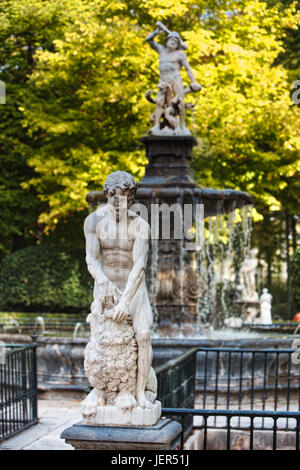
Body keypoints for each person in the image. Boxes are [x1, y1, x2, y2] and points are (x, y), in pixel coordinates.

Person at [82, 171, 154, 411]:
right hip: (105, 286)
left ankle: (140, 393)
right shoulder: (93, 221)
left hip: (133, 289)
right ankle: (100, 389)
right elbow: (91, 259)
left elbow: (140, 267)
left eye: (123, 198)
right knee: (101, 338)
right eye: (113, 197)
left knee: (142, 335)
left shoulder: (140, 226)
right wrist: (102, 282)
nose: (117, 202)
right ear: (107, 195)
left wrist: (125, 302)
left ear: (131, 197)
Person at [146, 23, 201, 133]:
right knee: (159, 102)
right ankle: (156, 126)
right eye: (170, 39)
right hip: (163, 81)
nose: (173, 41)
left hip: (175, 79)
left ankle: (183, 126)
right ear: (166, 41)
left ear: (178, 44)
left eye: (175, 41)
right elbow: (149, 39)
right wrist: (156, 32)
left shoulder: (180, 54)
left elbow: (188, 68)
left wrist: (193, 81)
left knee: (180, 103)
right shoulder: (161, 50)